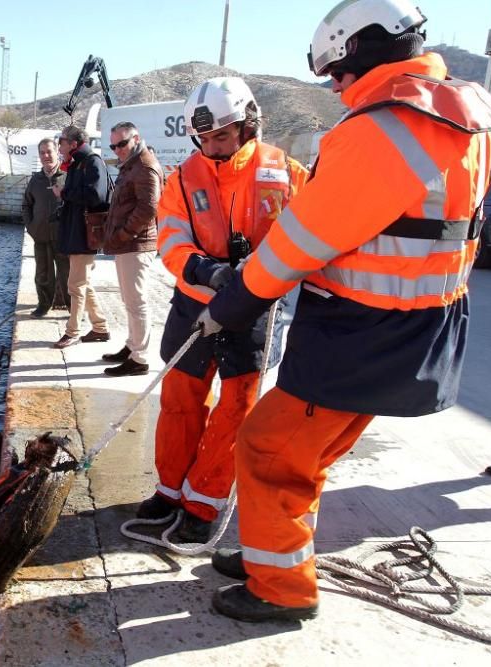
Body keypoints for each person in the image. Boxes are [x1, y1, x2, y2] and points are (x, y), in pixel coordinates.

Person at [198, 0, 491, 622]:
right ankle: (275, 551)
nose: (336, 90)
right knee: (303, 455)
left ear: (360, 51)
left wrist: (233, 301)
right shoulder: (463, 121)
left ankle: (281, 588)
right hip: (415, 324)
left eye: (336, 74)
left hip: (358, 329)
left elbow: (305, 238)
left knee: (265, 447)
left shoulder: (384, 128)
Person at [145, 77, 308, 543]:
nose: (213, 148)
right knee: (179, 404)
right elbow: (171, 238)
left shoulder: (288, 173)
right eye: (205, 139)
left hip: (256, 312)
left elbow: (310, 233)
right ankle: (169, 491)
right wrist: (207, 271)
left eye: (221, 136)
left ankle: (204, 503)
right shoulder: (181, 179)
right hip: (195, 307)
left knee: (235, 412)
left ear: (247, 124)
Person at [101, 121, 164, 376]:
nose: (117, 149)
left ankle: (140, 358)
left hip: (136, 244)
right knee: (129, 299)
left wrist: (125, 233)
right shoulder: (132, 165)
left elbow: (149, 208)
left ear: (136, 138)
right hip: (128, 244)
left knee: (136, 301)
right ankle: (132, 346)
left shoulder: (145, 166)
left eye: (122, 144)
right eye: (113, 145)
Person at [52, 125, 112, 349]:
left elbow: (97, 195)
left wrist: (64, 193)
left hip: (83, 234)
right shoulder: (78, 163)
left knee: (75, 285)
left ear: (74, 143)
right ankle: (100, 327)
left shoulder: (91, 161)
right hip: (77, 231)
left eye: (62, 141)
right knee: (83, 283)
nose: (59, 145)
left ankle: (72, 331)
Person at [22, 137, 69, 317]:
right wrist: (31, 227)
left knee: (66, 274)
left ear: (57, 151)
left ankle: (71, 307)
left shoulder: (66, 176)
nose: (46, 156)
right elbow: (26, 205)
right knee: (42, 274)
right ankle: (43, 304)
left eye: (49, 151)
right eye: (42, 152)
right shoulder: (35, 180)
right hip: (40, 235)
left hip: (63, 236)